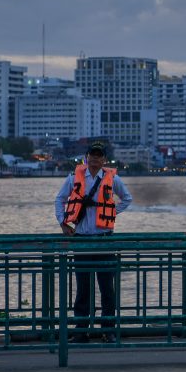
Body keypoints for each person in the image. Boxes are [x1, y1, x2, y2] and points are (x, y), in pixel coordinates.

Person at [54, 141, 133, 343]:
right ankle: (81, 332)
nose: (95, 158)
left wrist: (112, 213)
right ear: (86, 157)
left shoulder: (112, 178)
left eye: (99, 155)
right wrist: (63, 223)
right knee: (82, 288)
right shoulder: (73, 178)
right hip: (81, 240)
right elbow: (59, 199)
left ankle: (109, 331)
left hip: (104, 239)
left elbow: (127, 198)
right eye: (92, 154)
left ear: (104, 159)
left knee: (107, 288)